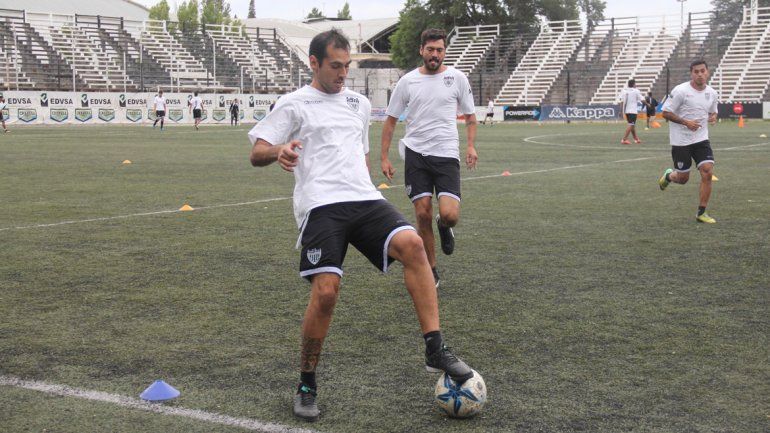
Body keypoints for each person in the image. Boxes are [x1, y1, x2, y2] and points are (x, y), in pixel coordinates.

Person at [247, 28, 475, 423]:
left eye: (346, 66)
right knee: (327, 292)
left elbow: (358, 156)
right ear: (314, 63)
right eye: (335, 66)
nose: (342, 73)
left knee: (415, 247)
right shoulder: (294, 104)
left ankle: (435, 347)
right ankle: (306, 382)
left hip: (365, 198)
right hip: (322, 206)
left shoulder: (357, 103)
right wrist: (278, 150)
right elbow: (257, 151)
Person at [380, 28, 478, 289]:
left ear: (444, 52)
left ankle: (444, 226)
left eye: (440, 50)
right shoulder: (407, 82)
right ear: (421, 50)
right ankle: (431, 270)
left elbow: (470, 117)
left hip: (446, 155)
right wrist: (384, 158)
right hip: (416, 154)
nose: (435, 55)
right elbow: (390, 121)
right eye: (431, 50)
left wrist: (470, 146)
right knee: (422, 212)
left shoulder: (457, 78)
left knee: (450, 214)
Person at [658, 60, 719, 224]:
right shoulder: (680, 91)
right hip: (681, 141)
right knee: (683, 178)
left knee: (707, 172)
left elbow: (713, 112)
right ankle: (669, 176)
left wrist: (713, 116)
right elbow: (665, 113)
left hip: (701, 139)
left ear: (707, 72)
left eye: (702, 71)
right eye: (696, 71)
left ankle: (701, 212)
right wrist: (686, 122)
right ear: (691, 73)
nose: (700, 74)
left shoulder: (712, 93)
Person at [620, 79, 645, 144]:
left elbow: (621, 101)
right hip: (633, 111)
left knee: (632, 125)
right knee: (631, 124)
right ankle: (624, 139)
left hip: (627, 111)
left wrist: (621, 111)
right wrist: (648, 104)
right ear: (633, 84)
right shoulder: (636, 91)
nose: (636, 85)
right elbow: (642, 99)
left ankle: (636, 139)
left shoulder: (624, 91)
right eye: (635, 84)